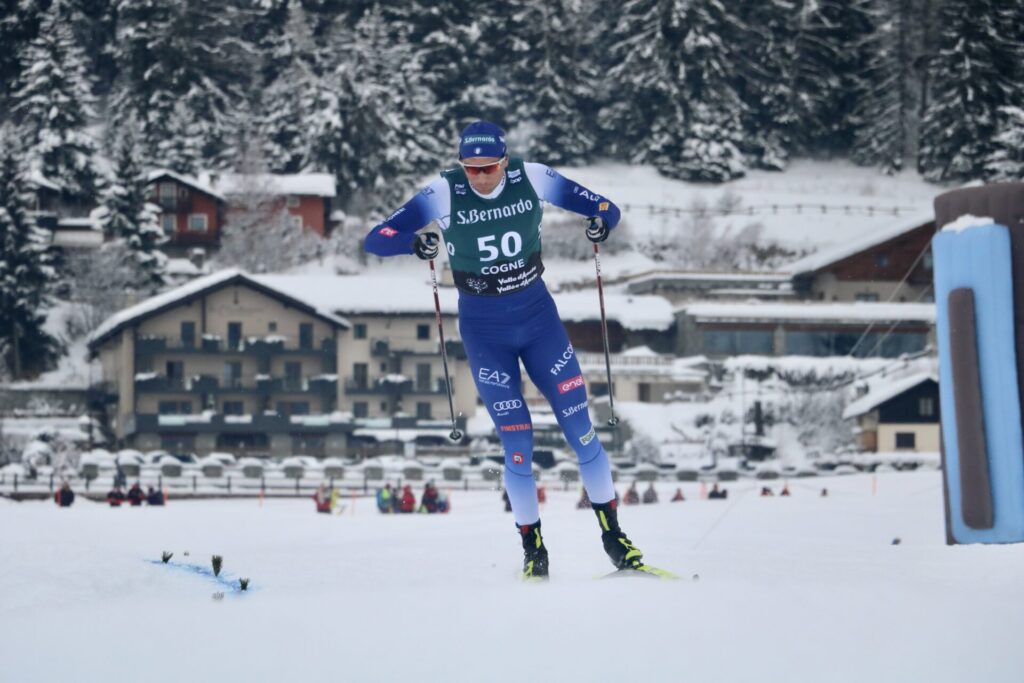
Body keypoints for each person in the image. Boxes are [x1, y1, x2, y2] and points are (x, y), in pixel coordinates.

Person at [364, 120, 646, 580]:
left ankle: (614, 536)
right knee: (517, 444)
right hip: (484, 332)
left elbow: (604, 207)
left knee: (582, 432)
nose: (479, 177)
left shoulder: (531, 177)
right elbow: (377, 238)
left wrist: (601, 223)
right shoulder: (443, 192)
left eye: (488, 167)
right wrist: (414, 243)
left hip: (539, 323)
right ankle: (533, 548)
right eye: (470, 169)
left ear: (505, 160)